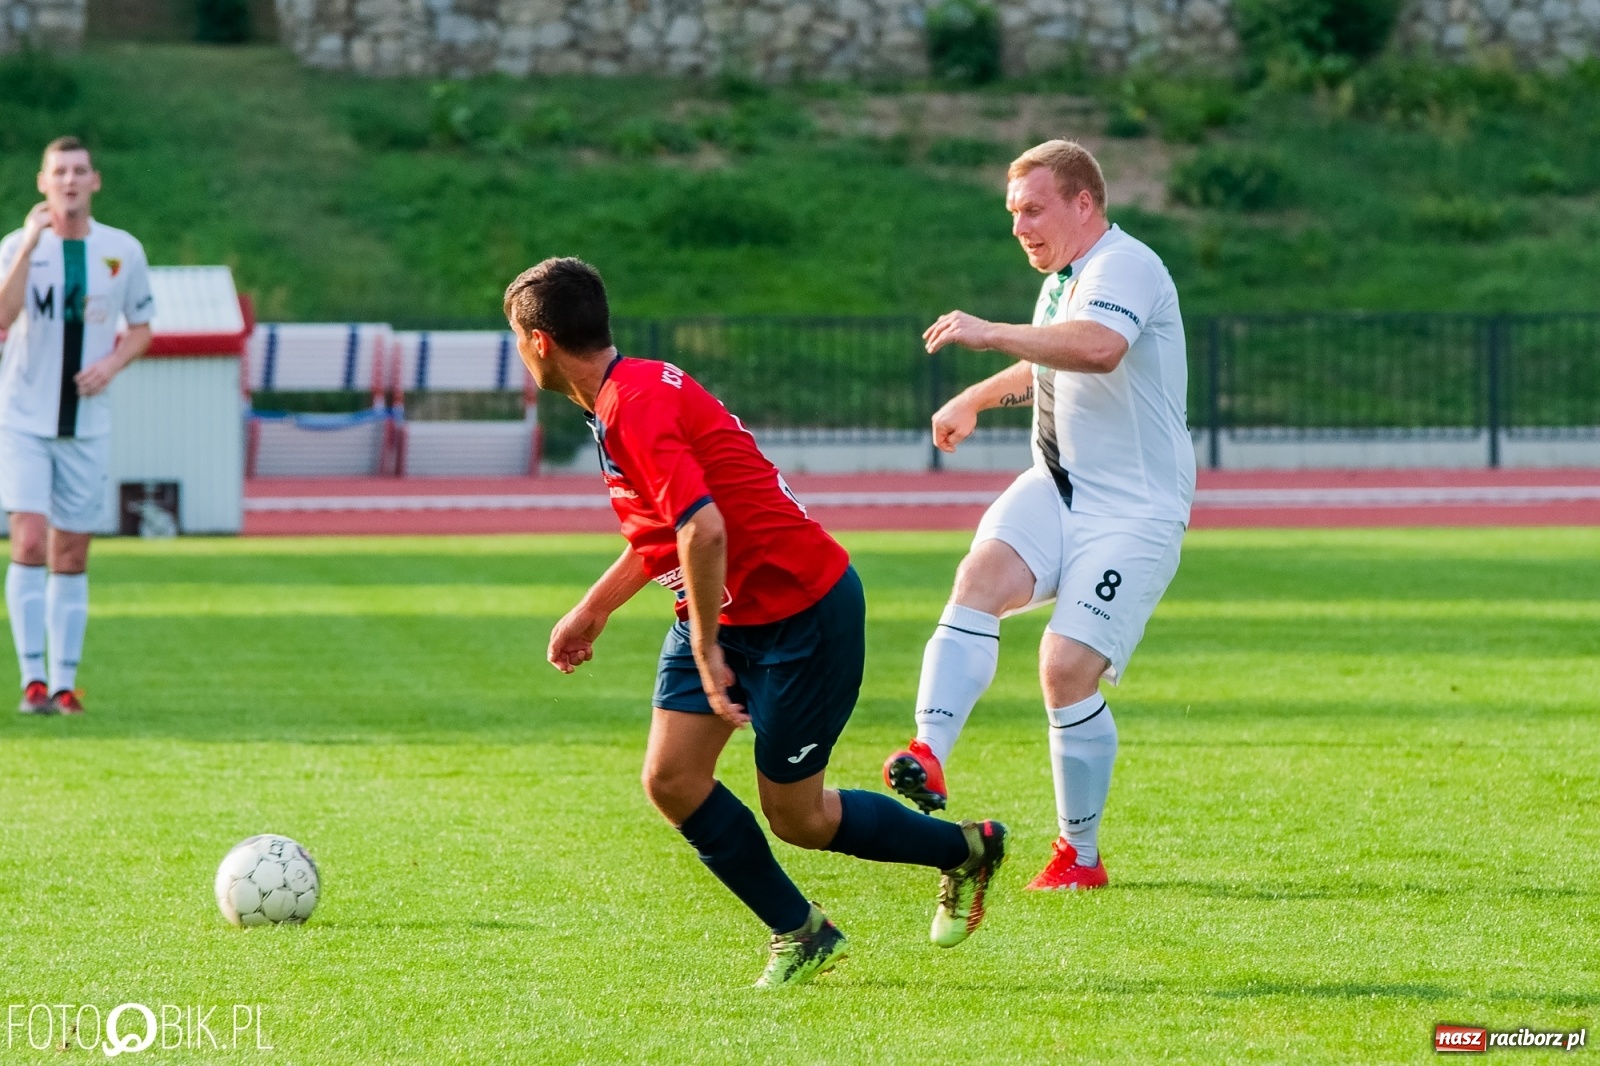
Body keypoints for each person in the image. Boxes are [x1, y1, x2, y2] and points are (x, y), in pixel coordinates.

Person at [505, 257, 1006, 988]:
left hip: (802, 613)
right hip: (722, 613)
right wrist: (594, 609)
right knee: (673, 778)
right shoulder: (624, 395)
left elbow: (703, 531)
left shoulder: (634, 405)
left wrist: (707, 646)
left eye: (516, 339)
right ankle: (801, 932)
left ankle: (967, 850)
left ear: (540, 342)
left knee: (799, 819)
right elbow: (671, 529)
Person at [883, 140, 1194, 891]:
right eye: (1013, 212)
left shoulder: (1126, 264)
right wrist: (976, 397)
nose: (1019, 226)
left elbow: (1099, 348)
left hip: (1135, 511)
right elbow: (1048, 357)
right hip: (1058, 485)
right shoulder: (1065, 279)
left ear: (1084, 203)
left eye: (1033, 209)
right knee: (979, 578)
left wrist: (986, 330)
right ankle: (927, 753)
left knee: (1064, 669)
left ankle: (1079, 856)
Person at [0, 137, 154, 716]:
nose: (69, 180)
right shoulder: (16, 246)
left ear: (95, 181)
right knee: (28, 540)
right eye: (59, 171)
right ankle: (32, 681)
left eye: (79, 170)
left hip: (86, 425)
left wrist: (110, 364)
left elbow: (142, 327)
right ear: (42, 182)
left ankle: (66, 684)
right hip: (22, 418)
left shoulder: (122, 251)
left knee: (71, 552)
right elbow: (2, 316)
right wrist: (28, 245)